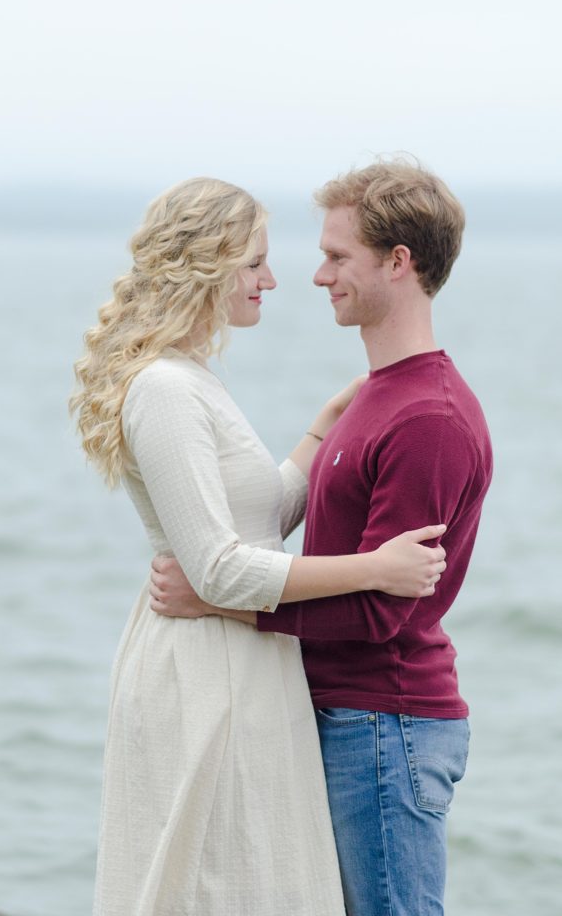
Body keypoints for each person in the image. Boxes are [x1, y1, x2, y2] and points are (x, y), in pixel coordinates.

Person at [70, 176, 448, 916]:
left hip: (241, 661)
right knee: (218, 884)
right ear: (205, 266)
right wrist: (376, 569)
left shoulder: (192, 378)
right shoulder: (166, 390)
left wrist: (322, 428)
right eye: (254, 263)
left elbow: (258, 522)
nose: (272, 280)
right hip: (205, 671)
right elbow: (217, 568)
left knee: (250, 879)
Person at [150, 161, 493, 916]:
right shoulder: (377, 395)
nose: (317, 275)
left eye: (338, 256)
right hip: (350, 720)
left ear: (398, 262)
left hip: (386, 726)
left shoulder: (427, 418)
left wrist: (217, 603)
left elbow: (379, 611)